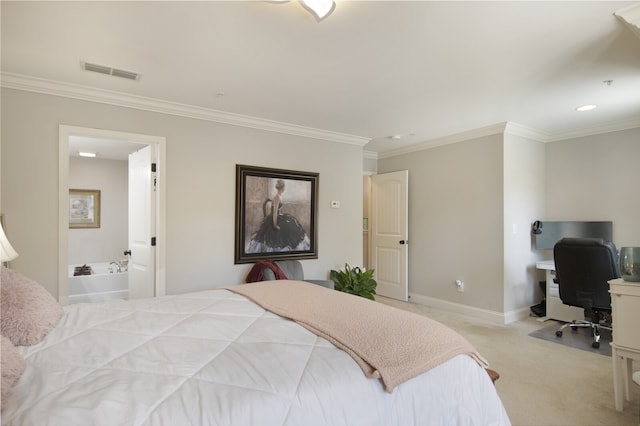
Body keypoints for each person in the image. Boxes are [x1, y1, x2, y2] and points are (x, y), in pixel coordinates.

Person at [246, 179, 310, 253]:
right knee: (280, 232)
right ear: (282, 188)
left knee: (292, 223)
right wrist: (275, 224)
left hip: (278, 216)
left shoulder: (279, 196)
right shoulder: (277, 198)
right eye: (284, 188)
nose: (284, 189)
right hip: (275, 218)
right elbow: (274, 212)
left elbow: (277, 212)